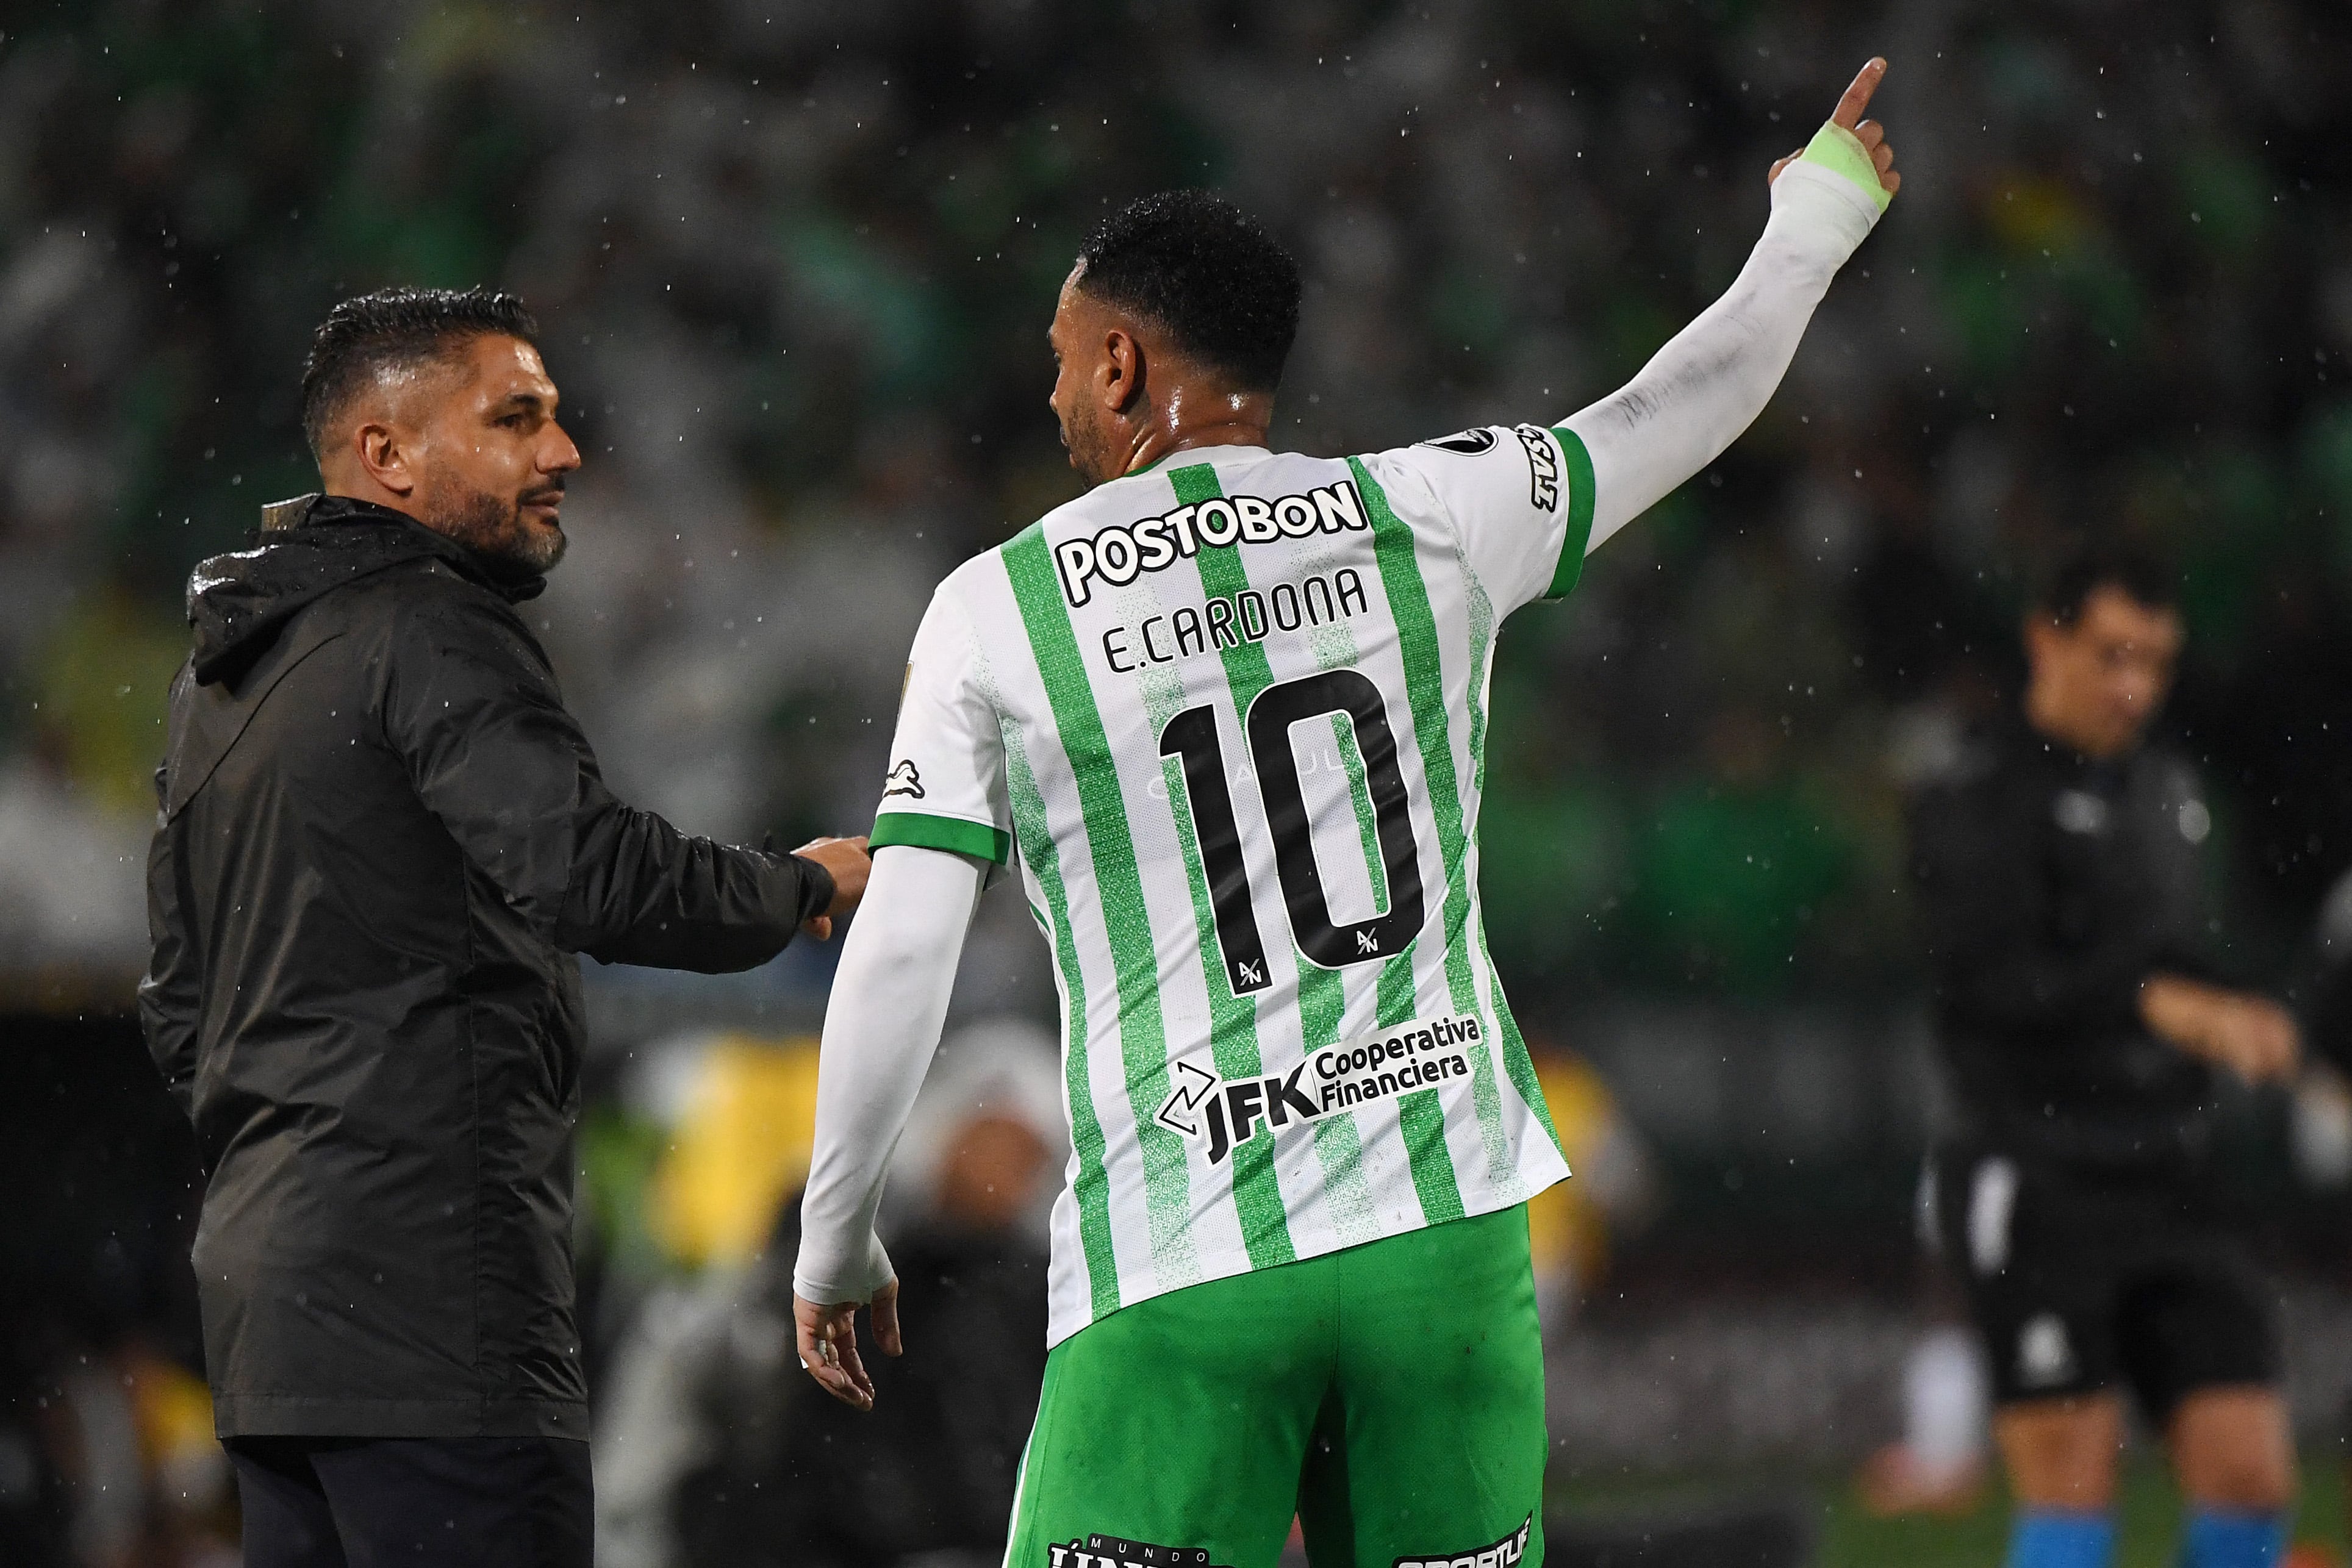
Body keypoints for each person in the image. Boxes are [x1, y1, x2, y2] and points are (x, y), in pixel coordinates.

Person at [792, 63, 1899, 1566]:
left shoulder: (998, 612)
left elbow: (907, 941)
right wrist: (1813, 222)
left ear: (1120, 365)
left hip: (1182, 1265)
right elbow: (1687, 399)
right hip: (1439, 1248)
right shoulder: (1434, 510)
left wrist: (838, 1230)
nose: (1051, 392)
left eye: (1062, 358)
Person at [137, 287, 872, 1568]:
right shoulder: (428, 625)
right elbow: (587, 870)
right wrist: (798, 887)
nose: (564, 451)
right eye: (516, 417)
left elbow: (175, 1004)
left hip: (272, 1322)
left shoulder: (223, 678)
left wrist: (307, 1132)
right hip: (433, 1302)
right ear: (388, 454)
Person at [1911, 547, 2301, 1568]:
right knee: (2074, 1482)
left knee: (2251, 1476)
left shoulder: (2171, 793)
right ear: (2047, 636)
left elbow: (2180, 965)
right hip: (2035, 1174)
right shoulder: (1975, 791)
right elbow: (1990, 983)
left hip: (2172, 1174)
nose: (2134, 686)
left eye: (2156, 662)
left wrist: (2240, 1019)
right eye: (2113, 654)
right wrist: (2158, 1003)